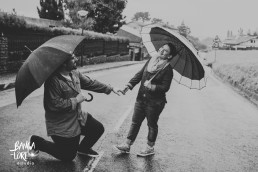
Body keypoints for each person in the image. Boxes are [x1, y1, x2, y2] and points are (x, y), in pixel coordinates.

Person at [28, 54, 121, 161]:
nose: (76, 59)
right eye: (72, 58)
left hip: (78, 117)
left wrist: (110, 88)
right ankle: (36, 142)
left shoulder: (74, 73)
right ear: (63, 63)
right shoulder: (53, 81)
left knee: (97, 128)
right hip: (62, 124)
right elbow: (53, 105)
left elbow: (90, 83)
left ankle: (83, 148)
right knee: (68, 155)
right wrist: (76, 100)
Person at [114, 43, 177, 157]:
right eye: (162, 48)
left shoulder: (168, 69)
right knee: (135, 122)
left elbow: (165, 87)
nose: (162, 50)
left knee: (151, 124)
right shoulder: (151, 61)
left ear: (169, 56)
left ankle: (150, 147)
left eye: (166, 51)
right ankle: (127, 145)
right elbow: (139, 75)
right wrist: (128, 86)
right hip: (141, 99)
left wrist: (152, 86)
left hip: (155, 103)